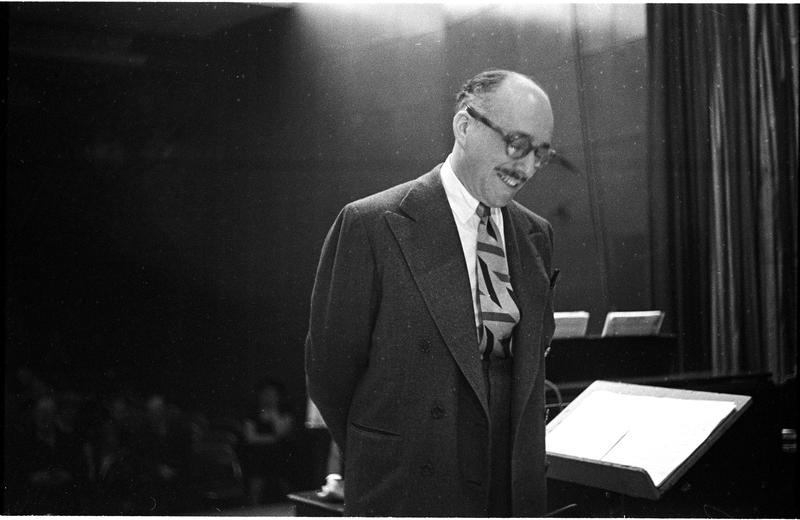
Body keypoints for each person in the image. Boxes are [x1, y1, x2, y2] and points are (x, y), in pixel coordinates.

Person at [305, 69, 560, 517]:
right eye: (517, 144)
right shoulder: (371, 225)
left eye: (540, 153)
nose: (526, 168)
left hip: (510, 494)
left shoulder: (536, 234)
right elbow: (329, 374)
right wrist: (387, 454)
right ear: (464, 126)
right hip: (409, 491)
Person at [240, 378, 295, 505]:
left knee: (280, 456)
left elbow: (281, 433)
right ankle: (254, 503)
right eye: (265, 394)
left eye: (272, 394)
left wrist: (274, 415)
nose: (268, 397)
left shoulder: (285, 412)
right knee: (259, 458)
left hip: (281, 452)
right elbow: (250, 438)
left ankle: (290, 503)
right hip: (258, 453)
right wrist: (273, 438)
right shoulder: (252, 413)